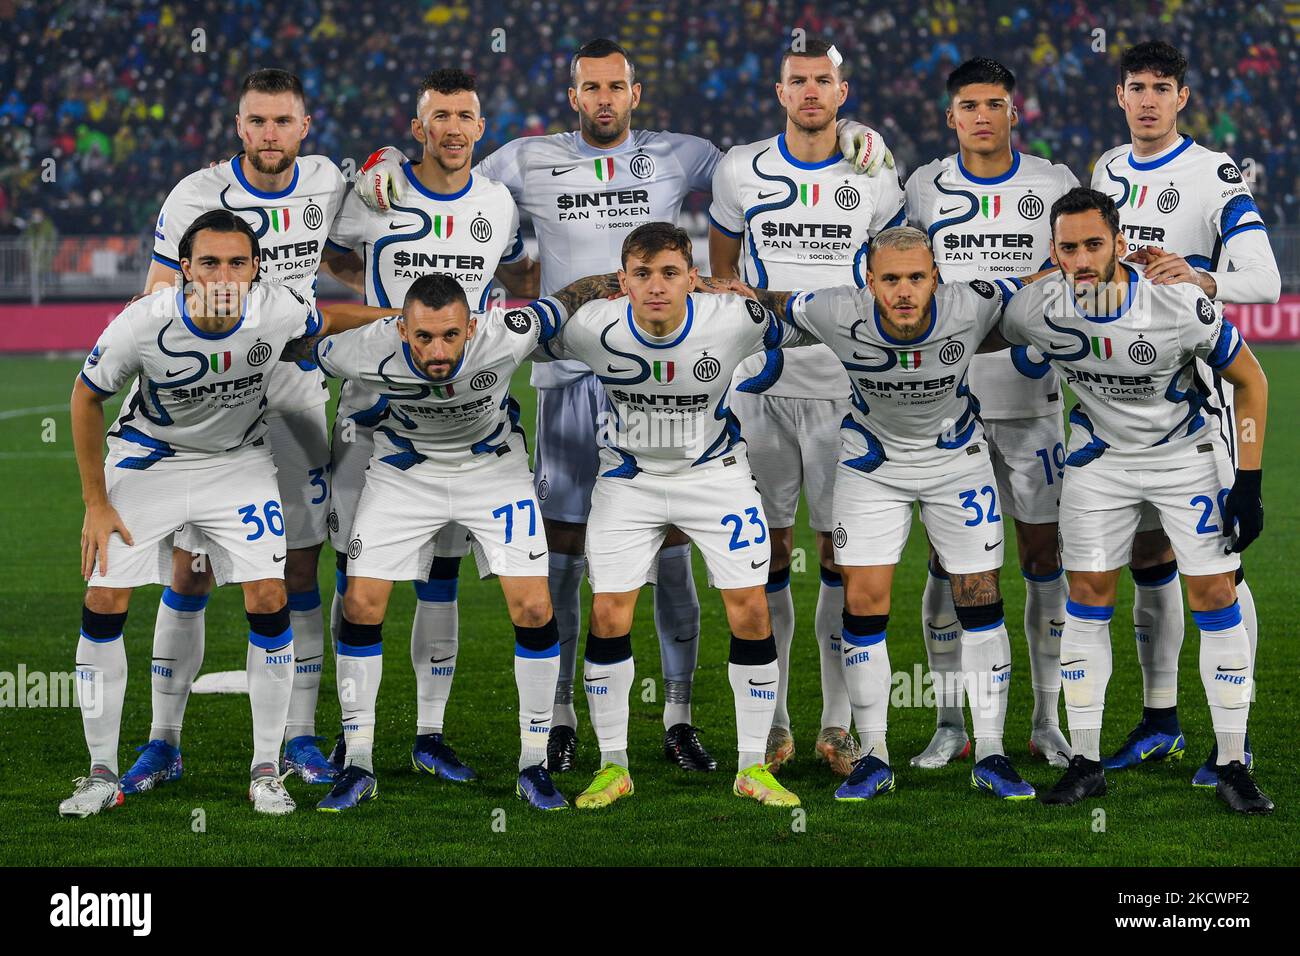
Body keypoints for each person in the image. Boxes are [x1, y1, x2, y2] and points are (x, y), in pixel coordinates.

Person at [354, 38, 894, 775]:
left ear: (635, 93)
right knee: (569, 558)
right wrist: (388, 159)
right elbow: (442, 173)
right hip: (571, 380)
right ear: (572, 96)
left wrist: (855, 136)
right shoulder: (523, 158)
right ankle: (565, 718)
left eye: (616, 86)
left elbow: (768, 158)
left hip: (668, 374)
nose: (603, 99)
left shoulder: (685, 154)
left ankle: (677, 718)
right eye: (590, 88)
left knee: (672, 556)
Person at [60, 211, 383, 817]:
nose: (224, 274)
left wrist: (404, 319)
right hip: (149, 460)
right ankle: (100, 772)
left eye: (238, 262)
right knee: (104, 598)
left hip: (236, 463)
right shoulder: (144, 323)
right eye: (209, 262)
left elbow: (331, 318)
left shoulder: (275, 308)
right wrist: (96, 503)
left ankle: (266, 770)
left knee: (269, 594)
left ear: (256, 267)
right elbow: (86, 395)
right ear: (185, 269)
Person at [997, 187, 1272, 814]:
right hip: (1101, 464)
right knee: (1088, 596)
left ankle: (1231, 762)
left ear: (1121, 245)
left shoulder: (1177, 304)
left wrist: (1249, 483)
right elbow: (972, 323)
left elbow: (1250, 380)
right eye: (1068, 248)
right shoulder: (1034, 308)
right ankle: (1087, 764)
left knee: (1215, 595)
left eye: (1095, 244)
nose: (1083, 258)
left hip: (1185, 458)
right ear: (1054, 253)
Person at [745, 226, 1037, 802]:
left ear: (936, 277)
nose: (904, 291)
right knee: (864, 603)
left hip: (957, 465)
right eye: (891, 279)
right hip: (872, 467)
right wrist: (714, 287)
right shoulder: (833, 310)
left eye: (916, 277)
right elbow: (768, 303)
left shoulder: (974, 302)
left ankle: (994, 752)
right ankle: (873, 755)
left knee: (979, 599)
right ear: (869, 282)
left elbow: (1038, 285)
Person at [125, 68, 355, 791]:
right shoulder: (196, 195)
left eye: (282, 121)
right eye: (257, 122)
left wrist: (383, 178)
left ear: (304, 126)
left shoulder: (326, 182)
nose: (269, 135)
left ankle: (300, 738)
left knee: (298, 568)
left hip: (292, 397)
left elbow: (354, 245)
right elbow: (160, 294)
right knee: (189, 571)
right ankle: (164, 741)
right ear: (238, 125)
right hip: (213, 400)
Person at [323, 67, 539, 783]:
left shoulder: (498, 204)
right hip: (371, 411)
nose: (452, 128)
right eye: (438, 115)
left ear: (481, 128)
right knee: (360, 577)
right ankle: (342, 739)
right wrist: (383, 308)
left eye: (465, 116)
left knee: (441, 572)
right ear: (418, 127)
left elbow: (507, 279)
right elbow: (321, 251)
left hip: (459, 414)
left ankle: (428, 733)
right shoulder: (374, 192)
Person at [707, 38, 906, 776]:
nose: (812, 91)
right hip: (760, 392)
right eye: (799, 81)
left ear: (842, 91)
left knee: (838, 556)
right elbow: (724, 276)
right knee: (766, 555)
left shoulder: (877, 174)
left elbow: (896, 272)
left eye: (824, 80)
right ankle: (775, 724)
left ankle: (834, 726)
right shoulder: (740, 169)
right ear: (781, 91)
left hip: (845, 394)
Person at [1089, 41, 1281, 783]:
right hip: (1119, 401)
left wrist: (1201, 272)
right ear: (1119, 95)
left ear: (1181, 99)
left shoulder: (1212, 174)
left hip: (1197, 399)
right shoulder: (1106, 169)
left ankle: (1236, 744)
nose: (1146, 100)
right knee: (1148, 559)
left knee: (1221, 570)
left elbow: (1262, 279)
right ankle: (1160, 720)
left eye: (1160, 88)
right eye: (1135, 86)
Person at [904, 57, 1078, 770]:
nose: (982, 115)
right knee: (950, 563)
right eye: (969, 105)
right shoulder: (923, 186)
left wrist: (1001, 294)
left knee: (1043, 556)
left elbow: (1072, 270)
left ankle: (1044, 721)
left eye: (995, 103)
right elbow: (910, 278)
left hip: (1033, 401)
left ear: (1015, 112)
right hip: (952, 406)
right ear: (951, 117)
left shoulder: (1055, 182)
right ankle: (951, 722)